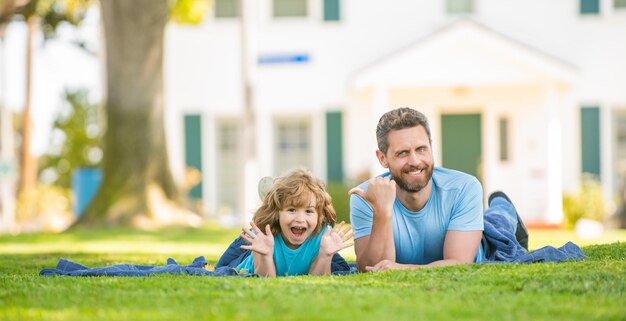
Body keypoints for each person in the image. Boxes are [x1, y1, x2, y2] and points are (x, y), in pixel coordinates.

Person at [349, 107, 528, 272]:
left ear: (431, 147)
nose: (415, 161)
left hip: (485, 241)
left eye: (421, 149)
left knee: (498, 221)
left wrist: (402, 269)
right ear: (382, 158)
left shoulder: (464, 187)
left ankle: (503, 205)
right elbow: (370, 269)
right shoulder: (365, 196)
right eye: (402, 153)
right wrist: (382, 211)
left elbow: (459, 262)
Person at [218, 169, 354, 277]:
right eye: (292, 210)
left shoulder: (321, 238)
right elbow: (265, 279)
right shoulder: (264, 237)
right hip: (246, 264)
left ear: (319, 216)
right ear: (277, 213)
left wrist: (325, 255)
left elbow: (317, 279)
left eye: (309, 211)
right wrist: (265, 255)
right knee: (221, 266)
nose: (300, 219)